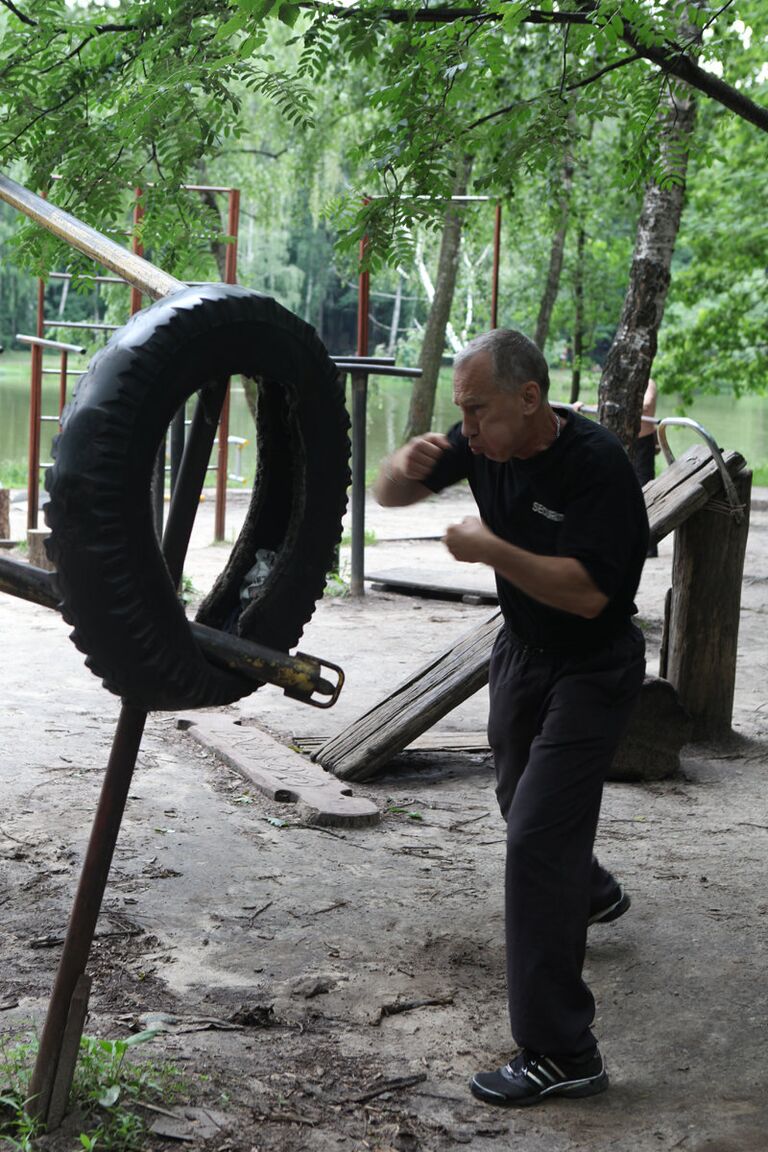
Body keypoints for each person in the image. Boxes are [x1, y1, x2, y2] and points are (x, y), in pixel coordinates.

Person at [374, 329, 648, 1107]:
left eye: (478, 409)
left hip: (594, 666)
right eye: (460, 412)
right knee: (519, 803)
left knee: (533, 841)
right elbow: (388, 495)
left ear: (529, 401)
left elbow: (591, 592)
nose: (468, 427)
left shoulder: (597, 468)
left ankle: (564, 1051)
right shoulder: (482, 440)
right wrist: (406, 464)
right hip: (522, 654)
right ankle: (587, 890)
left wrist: (492, 549)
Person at [633, 378, 659, 557]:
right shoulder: (623, 381)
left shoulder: (648, 382)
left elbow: (647, 403)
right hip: (626, 440)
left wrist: (623, 406)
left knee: (645, 490)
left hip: (643, 442)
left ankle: (649, 545)